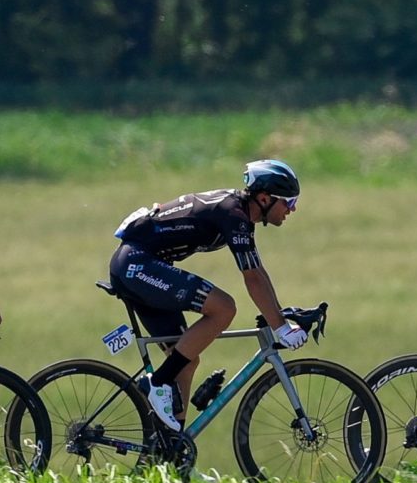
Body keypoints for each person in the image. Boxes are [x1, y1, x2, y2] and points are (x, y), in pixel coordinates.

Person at [109, 159, 305, 431]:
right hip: (137, 265)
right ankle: (157, 383)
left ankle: (170, 454)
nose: (292, 210)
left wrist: (280, 318)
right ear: (264, 198)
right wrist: (281, 328)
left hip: (139, 265)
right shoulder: (233, 215)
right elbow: (252, 278)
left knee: (186, 361)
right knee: (223, 308)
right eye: (289, 202)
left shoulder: (238, 213)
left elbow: (258, 272)